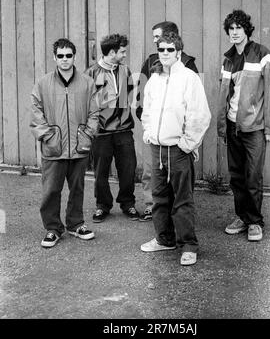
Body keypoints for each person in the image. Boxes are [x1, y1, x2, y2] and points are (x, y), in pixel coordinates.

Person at [140, 32, 211, 266]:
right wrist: (149, 133)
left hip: (178, 150)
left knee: (182, 199)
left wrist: (187, 144)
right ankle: (164, 239)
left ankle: (188, 245)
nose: (166, 54)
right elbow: (147, 110)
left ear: (179, 52)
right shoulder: (154, 79)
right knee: (159, 197)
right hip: (157, 148)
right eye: (162, 50)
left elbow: (200, 115)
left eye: (170, 50)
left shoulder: (189, 78)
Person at [217, 10, 270, 241]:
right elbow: (224, 96)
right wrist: (222, 127)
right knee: (236, 177)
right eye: (231, 29)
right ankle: (241, 217)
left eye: (238, 28)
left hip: (254, 127)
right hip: (233, 126)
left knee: (252, 176)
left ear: (246, 30)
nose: (234, 33)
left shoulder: (264, 54)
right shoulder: (228, 59)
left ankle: (255, 221)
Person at [30, 38, 99, 248]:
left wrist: (87, 135)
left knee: (77, 188)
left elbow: (94, 113)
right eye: (60, 56)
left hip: (79, 148)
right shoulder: (43, 83)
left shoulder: (87, 82)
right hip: (54, 149)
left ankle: (75, 224)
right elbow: (35, 113)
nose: (65, 59)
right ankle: (53, 228)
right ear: (54, 57)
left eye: (68, 55)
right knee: (51, 190)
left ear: (74, 57)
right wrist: (48, 136)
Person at [136, 21, 198, 222]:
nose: (156, 44)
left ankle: (184, 236)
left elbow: (196, 110)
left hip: (178, 144)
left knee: (180, 190)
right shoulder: (152, 63)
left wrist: (188, 142)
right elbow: (143, 93)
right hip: (156, 138)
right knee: (153, 177)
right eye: (156, 42)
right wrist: (148, 128)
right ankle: (152, 209)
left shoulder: (188, 66)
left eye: (158, 37)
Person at [86, 33, 139, 222]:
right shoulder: (91, 73)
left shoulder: (125, 71)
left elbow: (132, 96)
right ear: (111, 52)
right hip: (101, 132)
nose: (125, 55)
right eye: (122, 51)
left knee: (128, 169)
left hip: (124, 130)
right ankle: (102, 205)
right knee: (101, 171)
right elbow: (87, 104)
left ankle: (128, 203)